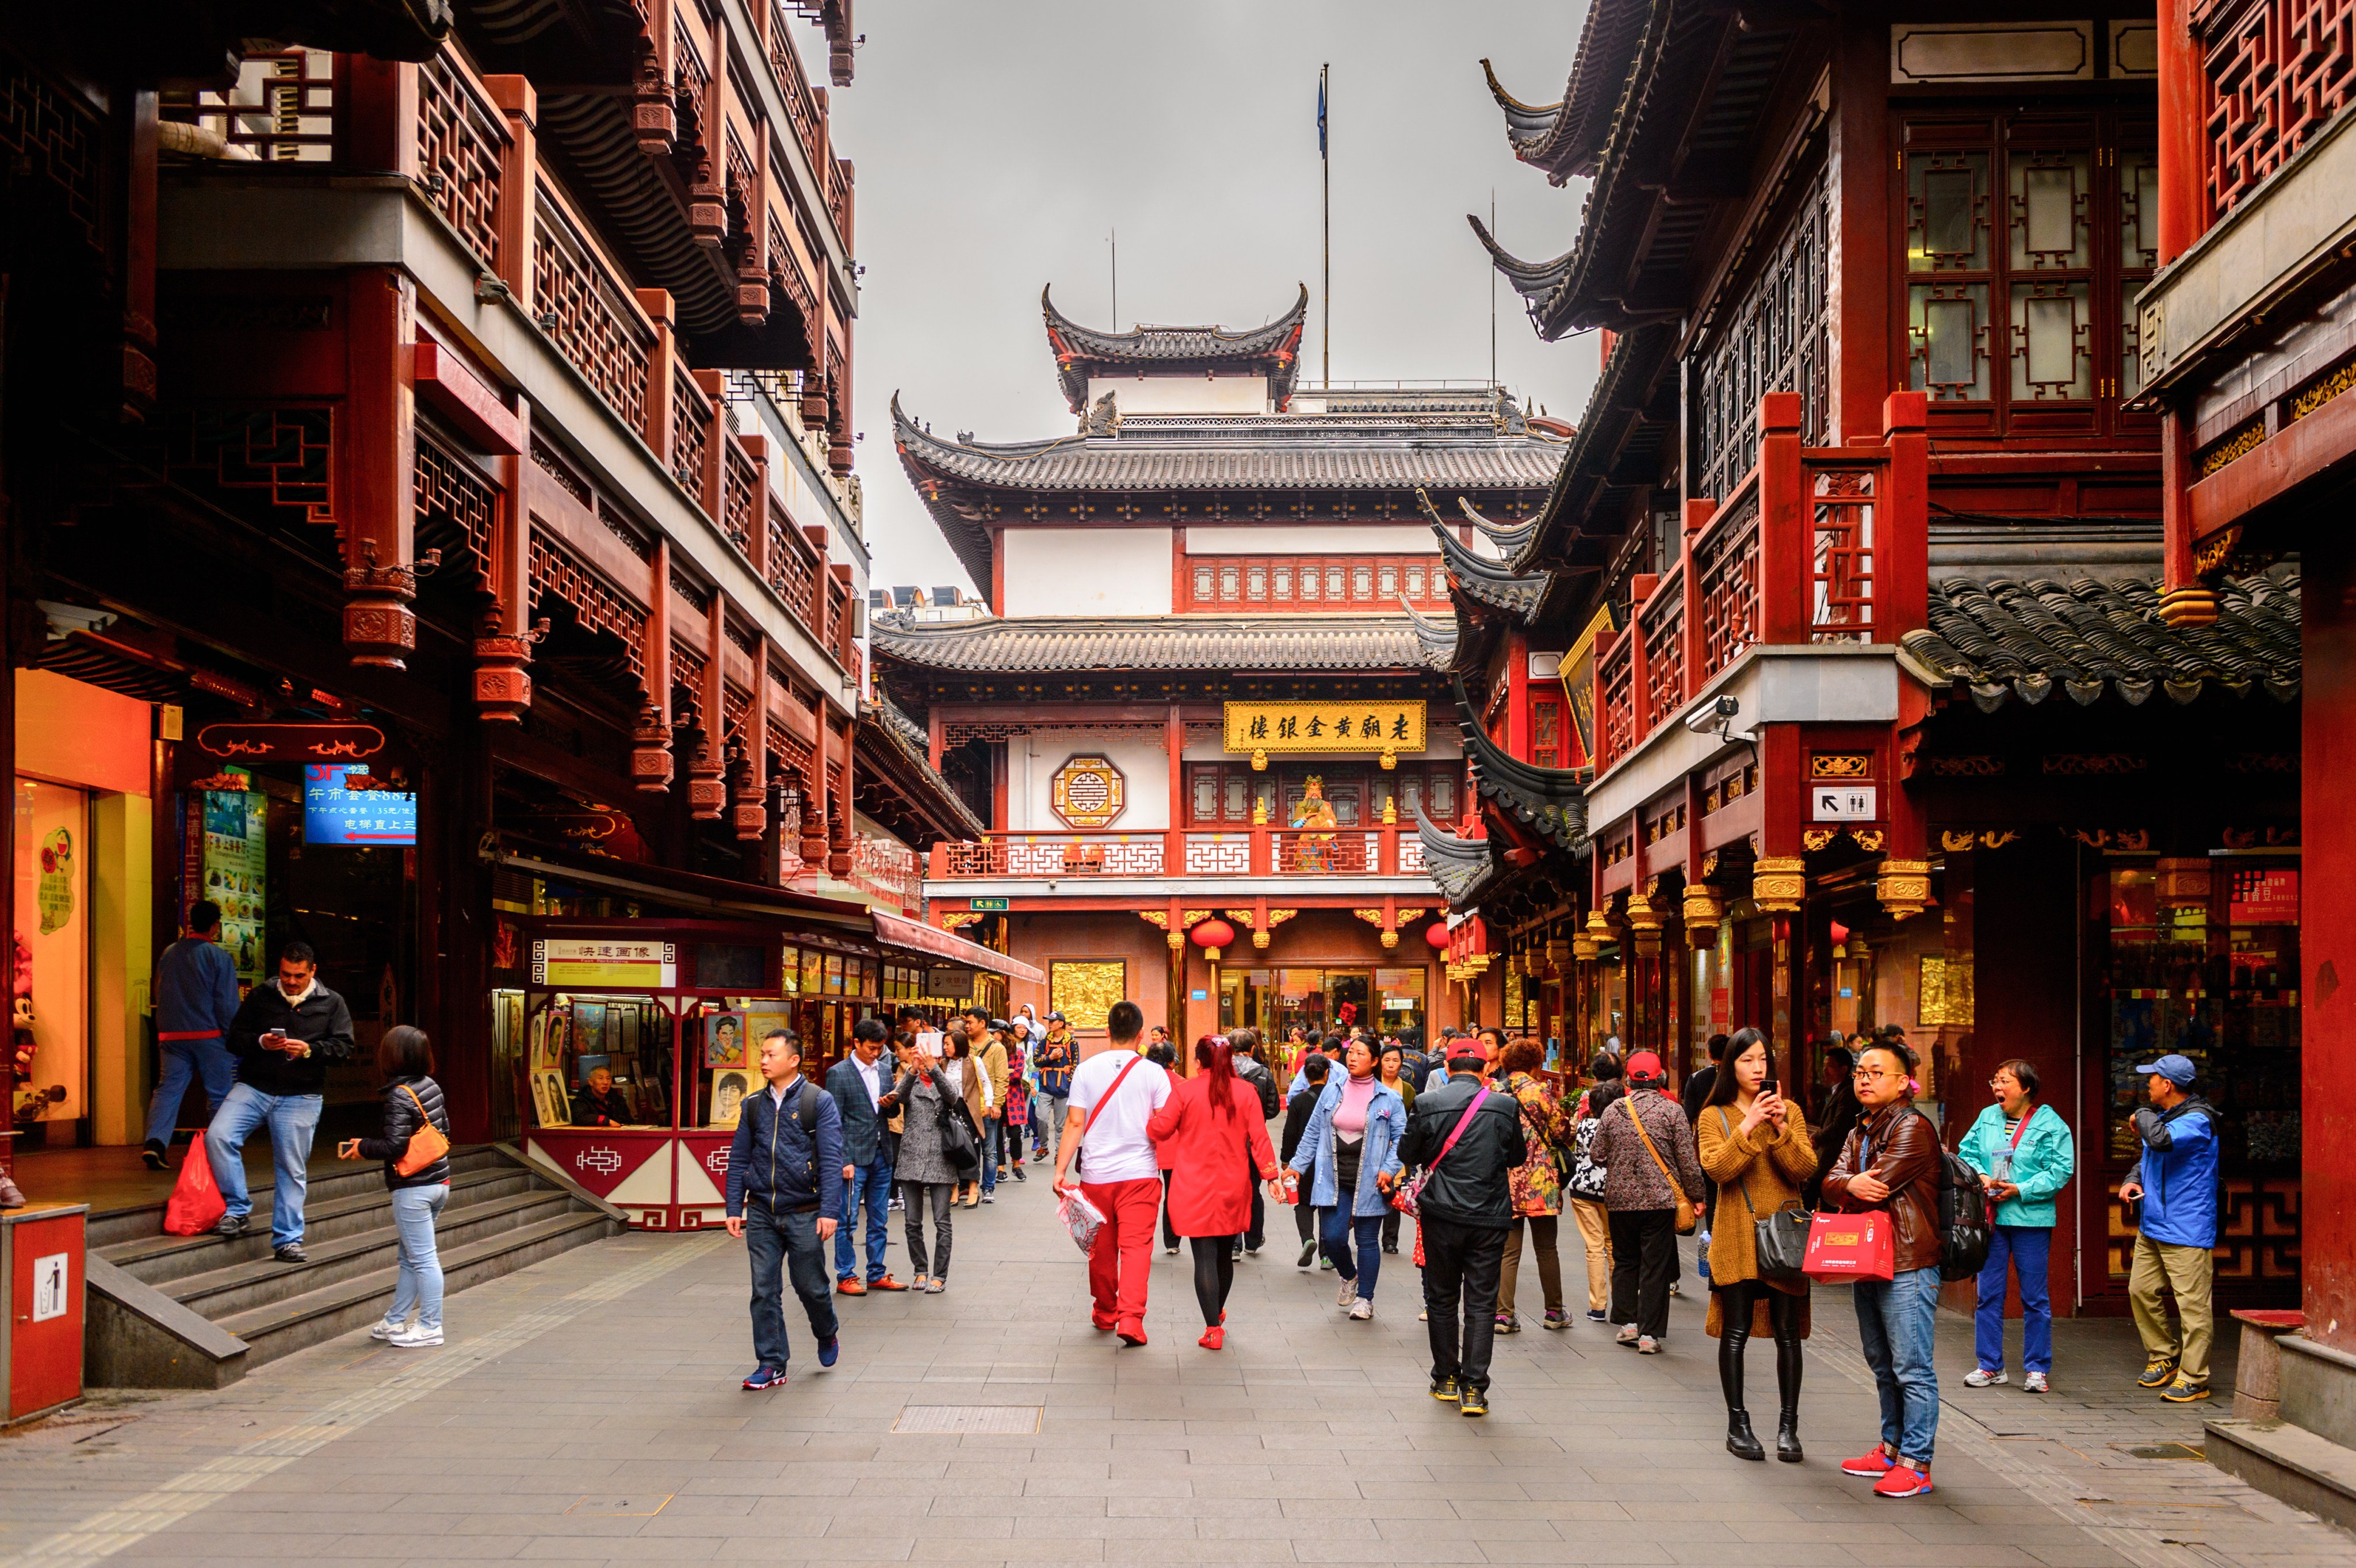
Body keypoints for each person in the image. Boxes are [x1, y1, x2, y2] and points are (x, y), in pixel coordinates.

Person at [1822, 1037, 1944, 1498]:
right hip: (1868, 1259)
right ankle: (1890, 1449)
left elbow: (1876, 1184)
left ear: (1902, 1081)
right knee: (1881, 1362)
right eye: (1860, 1072)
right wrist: (1848, 1181)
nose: (1864, 1079)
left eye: (1876, 1072)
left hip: (1909, 1261)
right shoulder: (1860, 1129)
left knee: (1912, 1366)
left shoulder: (1913, 1128)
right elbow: (1830, 1182)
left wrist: (1847, 1182)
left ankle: (1917, 1463)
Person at [1696, 1027, 1817, 1462]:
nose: (1757, 1068)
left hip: (1785, 1238)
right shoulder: (1714, 1116)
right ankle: (1738, 1424)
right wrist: (1748, 1124)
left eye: (1763, 1059)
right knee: (1736, 1333)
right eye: (1747, 1060)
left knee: (1789, 1335)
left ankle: (1789, 1428)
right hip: (1736, 1237)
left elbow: (1804, 1169)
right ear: (1731, 1065)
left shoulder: (1792, 1112)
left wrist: (1781, 1126)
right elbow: (1718, 1170)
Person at [1399, 1036, 1527, 1417]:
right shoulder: (1504, 1106)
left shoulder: (1426, 1103)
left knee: (1441, 1299)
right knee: (1482, 1302)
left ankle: (1445, 1378)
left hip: (1441, 1214)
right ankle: (1474, 1388)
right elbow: (1516, 1155)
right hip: (1489, 1215)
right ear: (1486, 1068)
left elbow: (1408, 1153)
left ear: (1447, 1067)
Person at [208, 941, 355, 1262]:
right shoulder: (262, 996)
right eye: (286, 974)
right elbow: (234, 1038)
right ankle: (237, 1209)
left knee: (291, 1168)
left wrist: (309, 1050)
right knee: (218, 1136)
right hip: (254, 1086)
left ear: (312, 972)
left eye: (298, 976)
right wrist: (261, 1041)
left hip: (302, 1094)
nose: (290, 982)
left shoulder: (333, 1003)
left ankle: (287, 1240)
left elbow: (344, 1047)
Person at [723, 1028, 844, 1390]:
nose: (763, 1060)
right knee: (764, 1290)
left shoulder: (817, 1101)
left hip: (805, 1210)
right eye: (762, 1054)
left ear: (793, 1060)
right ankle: (772, 1363)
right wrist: (734, 1205)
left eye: (770, 1054)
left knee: (811, 1287)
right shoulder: (754, 1104)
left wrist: (829, 1211)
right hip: (761, 1210)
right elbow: (739, 1157)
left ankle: (826, 1331)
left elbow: (832, 1159)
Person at [1148, 1035, 1280, 1349]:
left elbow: (1161, 1129)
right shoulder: (1247, 1092)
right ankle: (1217, 1312)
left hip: (1193, 1185)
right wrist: (1272, 1176)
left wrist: (1146, 1119)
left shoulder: (1185, 1092)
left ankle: (1212, 1328)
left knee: (1204, 1257)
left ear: (1197, 1062)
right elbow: (1260, 1138)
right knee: (1223, 1255)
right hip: (1234, 1183)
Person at [1054, 1000, 1172, 1345]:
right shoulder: (1155, 1073)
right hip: (1141, 1174)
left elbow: (1075, 1122)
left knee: (1101, 1248)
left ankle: (1106, 1311)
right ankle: (1131, 1319)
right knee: (1137, 1248)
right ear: (1140, 1035)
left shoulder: (1087, 1070)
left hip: (1096, 1175)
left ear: (1107, 1031)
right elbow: (1163, 1126)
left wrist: (1060, 1171)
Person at [1956, 1058, 2074, 1394]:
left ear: (2026, 1088)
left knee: (2035, 1297)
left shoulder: (2051, 1124)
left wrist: (2020, 1189)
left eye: (2005, 1081)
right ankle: (1990, 1366)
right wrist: (1981, 1176)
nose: (1997, 1087)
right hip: (1991, 1219)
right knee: (1988, 1294)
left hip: (2031, 1220)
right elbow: (1967, 1151)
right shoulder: (1987, 1116)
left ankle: (2037, 1369)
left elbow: (2061, 1170)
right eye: (1995, 1080)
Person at [334, 1023, 450, 1348]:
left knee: (423, 1259)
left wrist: (362, 1147)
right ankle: (395, 1321)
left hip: (413, 1187)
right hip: (439, 1182)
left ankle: (430, 1327)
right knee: (411, 1257)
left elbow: (395, 1146)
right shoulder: (432, 1086)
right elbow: (443, 1130)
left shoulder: (399, 1096)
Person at [2119, 1053, 2219, 1403]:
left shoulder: (2198, 1120)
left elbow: (2160, 1141)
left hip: (2187, 1227)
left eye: (2152, 1079)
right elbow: (2149, 1156)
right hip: (2154, 1224)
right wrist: (2133, 1179)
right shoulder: (2167, 1117)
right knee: (2140, 1290)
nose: (2147, 1085)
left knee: (2192, 1306)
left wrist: (2142, 1115)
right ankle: (2164, 1356)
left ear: (2168, 1085)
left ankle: (2195, 1377)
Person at [1590, 1050, 1704, 1353]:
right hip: (1660, 1202)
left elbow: (1597, 1155)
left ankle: (1627, 1324)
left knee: (1625, 1261)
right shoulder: (1672, 1111)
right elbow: (1687, 1162)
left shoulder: (1614, 1110)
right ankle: (1649, 1335)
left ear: (1628, 1079)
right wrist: (1697, 1196)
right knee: (1655, 1266)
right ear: (1660, 1078)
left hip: (1620, 1200)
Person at [1287, 1037, 1407, 1320]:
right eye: (1350, 1052)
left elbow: (1402, 1139)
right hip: (1333, 1176)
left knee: (1367, 1240)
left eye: (1360, 1053)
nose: (1352, 1058)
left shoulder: (1390, 1098)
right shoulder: (1332, 1091)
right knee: (1333, 1237)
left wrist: (1389, 1169)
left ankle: (1365, 1299)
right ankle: (1349, 1276)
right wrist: (1296, 1166)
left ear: (1374, 1061)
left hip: (1371, 1180)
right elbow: (1313, 1133)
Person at [144, 901, 242, 1170]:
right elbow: (227, 1003)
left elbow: (159, 991)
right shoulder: (218, 957)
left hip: (172, 1037)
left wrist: (163, 1029)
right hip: (210, 1036)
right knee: (220, 1094)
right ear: (214, 926)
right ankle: (219, 1151)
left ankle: (155, 1144)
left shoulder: (169, 953)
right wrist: (233, 1035)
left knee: (168, 1091)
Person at [1492, 1038, 1571, 1333]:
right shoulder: (1540, 1091)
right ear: (1536, 1063)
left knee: (1508, 1251)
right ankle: (1554, 1312)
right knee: (1547, 1248)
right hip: (1541, 1182)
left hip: (1505, 1179)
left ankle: (1503, 1315)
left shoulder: (1493, 1091)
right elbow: (1562, 1131)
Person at [827, 1018, 908, 1295]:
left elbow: (893, 1115)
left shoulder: (885, 1071)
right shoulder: (839, 1073)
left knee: (879, 1218)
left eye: (880, 1048)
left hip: (881, 1153)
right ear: (857, 1043)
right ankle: (846, 1275)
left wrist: (891, 1104)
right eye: (871, 1048)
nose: (876, 1054)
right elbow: (833, 1120)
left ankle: (876, 1272)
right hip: (854, 1156)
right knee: (847, 1219)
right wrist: (843, 1159)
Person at [892, 1036, 969, 1293]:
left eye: (931, 1056)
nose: (926, 1060)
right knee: (912, 1222)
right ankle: (920, 1269)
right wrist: (913, 1069)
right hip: (911, 1155)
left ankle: (940, 1275)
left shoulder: (943, 1080)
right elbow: (898, 1098)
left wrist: (933, 1068)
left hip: (941, 1156)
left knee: (941, 1221)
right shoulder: (911, 1080)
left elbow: (951, 1096)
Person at [1566, 1055, 1619, 1323]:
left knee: (1594, 1247)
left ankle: (1597, 1305)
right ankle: (1621, 1302)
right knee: (1614, 1245)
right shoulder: (1621, 1124)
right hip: (1612, 1190)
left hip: (1584, 1188)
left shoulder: (1585, 1125)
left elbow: (1578, 1153)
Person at [1230, 1028, 1281, 1257]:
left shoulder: (1223, 1074)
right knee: (1253, 1190)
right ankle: (1252, 1239)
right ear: (1253, 1049)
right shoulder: (1264, 1074)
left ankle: (1233, 1244)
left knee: (1231, 1191)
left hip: (1228, 1143)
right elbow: (1273, 1109)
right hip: (1254, 1143)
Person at [1282, 1052, 1333, 1268]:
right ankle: (1327, 1255)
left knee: (1302, 1204)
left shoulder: (1299, 1100)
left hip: (1304, 1161)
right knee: (1327, 1206)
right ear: (1328, 1073)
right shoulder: (1336, 1098)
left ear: (1305, 1074)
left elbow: (1289, 1133)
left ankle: (1307, 1239)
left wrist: (1287, 1161)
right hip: (1330, 1161)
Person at [1806, 1045, 1862, 1208]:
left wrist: (1817, 1137)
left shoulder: (1849, 1093)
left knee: (1819, 1198)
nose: (1825, 1071)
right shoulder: (1838, 1090)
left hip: (1833, 1158)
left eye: (1829, 1067)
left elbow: (1840, 1125)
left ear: (1844, 1069)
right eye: (1824, 1066)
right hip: (1826, 1158)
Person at [1376, 1043, 1418, 1255]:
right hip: (1374, 1146)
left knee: (1394, 1193)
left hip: (1397, 1148)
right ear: (1379, 1062)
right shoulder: (1372, 1085)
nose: (1391, 1065)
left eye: (1395, 1060)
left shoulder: (1408, 1090)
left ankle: (1390, 1240)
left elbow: (1412, 1122)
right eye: (1387, 1060)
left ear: (1401, 1063)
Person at [1032, 1011, 1076, 1164]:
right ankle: (1044, 1147)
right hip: (1045, 1085)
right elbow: (1036, 1061)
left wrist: (1068, 1083)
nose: (1050, 1023)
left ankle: (1059, 1153)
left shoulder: (1071, 1042)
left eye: (1053, 1021)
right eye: (1049, 1021)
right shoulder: (1044, 1042)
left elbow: (1075, 1066)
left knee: (1060, 1124)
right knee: (1042, 1118)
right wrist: (1050, 1057)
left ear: (1061, 1024)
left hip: (1062, 1087)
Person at [1682, 1034, 1732, 1126]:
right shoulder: (1736, 1076)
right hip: (1731, 1128)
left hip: (1704, 1127)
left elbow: (1689, 1115)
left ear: (1709, 1054)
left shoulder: (1695, 1078)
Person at [570, 1065, 634, 1127]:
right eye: (601, 1078)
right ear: (591, 1082)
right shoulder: (581, 1101)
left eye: (608, 1078)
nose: (605, 1082)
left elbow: (629, 1121)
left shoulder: (617, 1100)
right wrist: (607, 1121)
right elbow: (580, 1117)